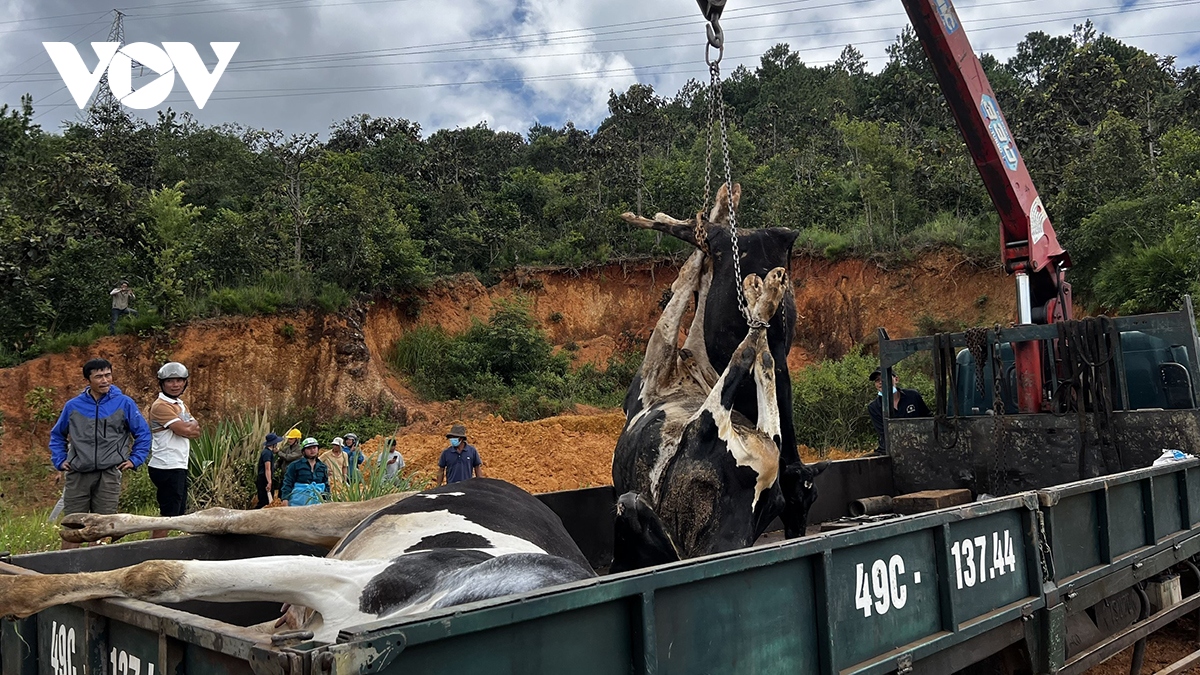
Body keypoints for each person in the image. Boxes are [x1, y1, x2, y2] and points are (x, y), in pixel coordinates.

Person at [49, 358, 151, 549]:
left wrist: (135, 460)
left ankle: (97, 573)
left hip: (109, 474)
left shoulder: (124, 403)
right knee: (73, 525)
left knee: (103, 526)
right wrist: (60, 460)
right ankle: (67, 572)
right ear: (88, 380)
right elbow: (57, 435)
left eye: (108, 375)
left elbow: (143, 433)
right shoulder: (73, 406)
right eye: (99, 376)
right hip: (78, 473)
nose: (105, 380)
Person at [146, 362, 200, 538]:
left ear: (185, 382)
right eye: (170, 381)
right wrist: (187, 427)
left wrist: (188, 427)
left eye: (179, 380)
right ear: (162, 383)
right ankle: (157, 551)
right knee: (168, 515)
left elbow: (197, 430)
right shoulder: (161, 405)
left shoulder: (180, 405)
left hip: (177, 464)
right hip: (166, 465)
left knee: (176, 513)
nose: (175, 385)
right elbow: (186, 430)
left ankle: (163, 548)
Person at [867, 368, 931, 455]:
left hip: (920, 445)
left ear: (896, 379)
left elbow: (928, 418)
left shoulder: (913, 396)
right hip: (890, 450)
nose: (880, 382)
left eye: (884, 378)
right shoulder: (874, 407)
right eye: (877, 380)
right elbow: (884, 434)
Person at [281, 437, 329, 506]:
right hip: (298, 501)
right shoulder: (295, 465)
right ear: (303, 451)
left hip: (317, 501)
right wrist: (285, 498)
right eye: (309, 448)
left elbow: (326, 484)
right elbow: (287, 482)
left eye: (314, 447)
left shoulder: (323, 467)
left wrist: (327, 498)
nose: (312, 450)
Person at [256, 432, 283, 508]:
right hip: (264, 479)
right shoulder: (267, 453)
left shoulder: (268, 452)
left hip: (264, 478)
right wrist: (269, 482)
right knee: (264, 502)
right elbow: (267, 468)